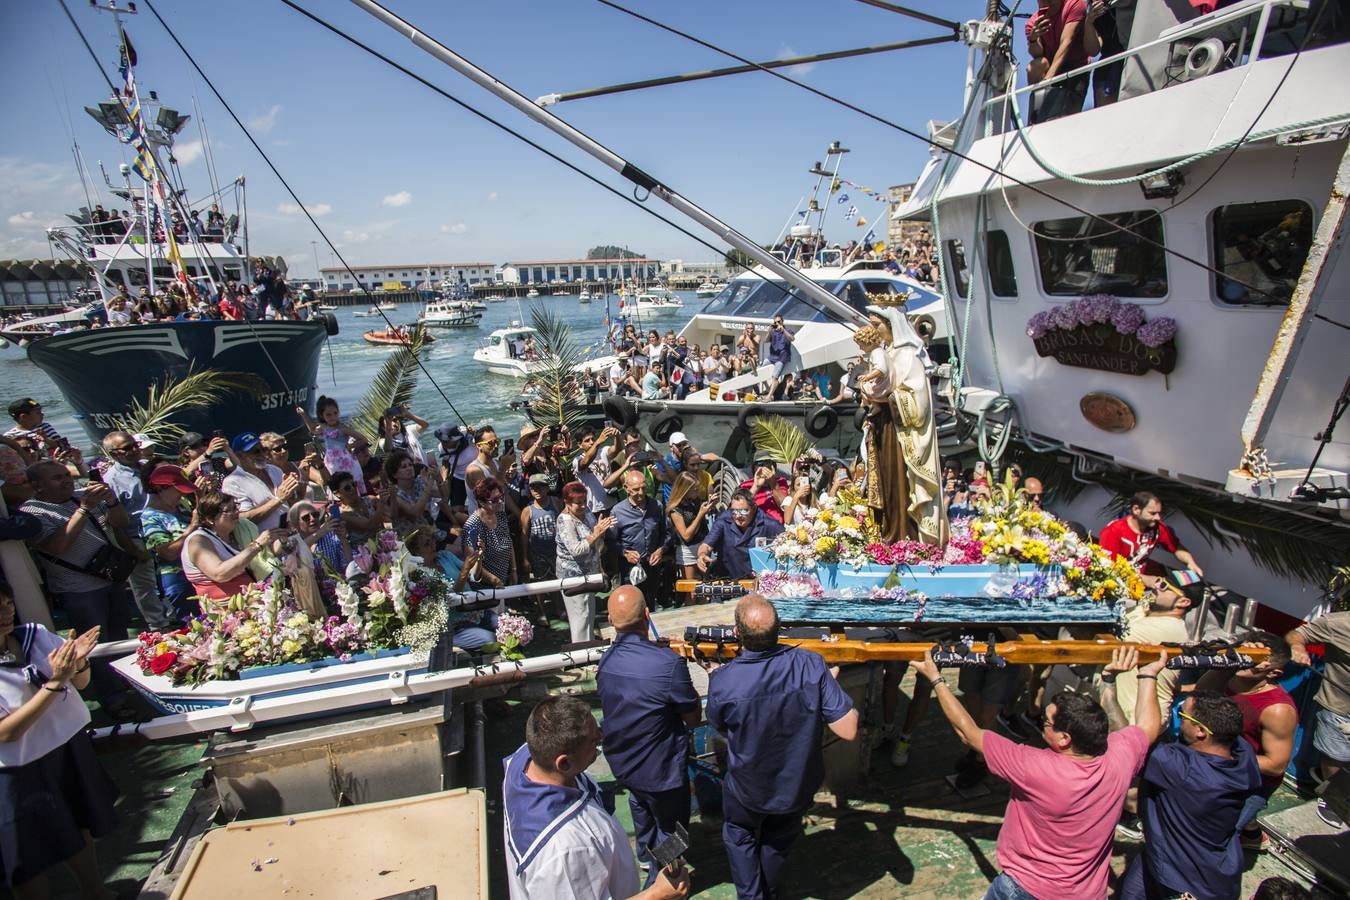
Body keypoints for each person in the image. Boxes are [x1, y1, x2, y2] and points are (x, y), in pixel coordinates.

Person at [916, 644, 1165, 899]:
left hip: (1025, 889)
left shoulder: (1032, 766)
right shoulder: (1119, 757)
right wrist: (1145, 674)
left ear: (1064, 738)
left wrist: (936, 679)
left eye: (1046, 722)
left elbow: (969, 734)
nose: (1042, 724)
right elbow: (1148, 726)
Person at [705, 595, 858, 900]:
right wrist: (825, 686)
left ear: (737, 634)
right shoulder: (811, 663)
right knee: (778, 841)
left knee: (739, 835)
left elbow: (719, 725)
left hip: (749, 786)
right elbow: (849, 728)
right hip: (798, 783)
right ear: (780, 629)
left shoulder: (724, 682)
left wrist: (715, 676)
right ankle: (770, 890)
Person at [502, 696, 690, 899]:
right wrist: (657, 894)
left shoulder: (527, 759)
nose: (601, 737)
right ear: (563, 763)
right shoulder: (564, 851)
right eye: (593, 740)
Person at [0, 585, 118, 900]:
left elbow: (81, 682)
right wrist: (55, 681)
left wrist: (78, 663)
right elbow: (5, 733)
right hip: (18, 769)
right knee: (28, 858)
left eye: (9, 603)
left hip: (64, 748)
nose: (7, 612)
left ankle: (96, 894)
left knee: (77, 825)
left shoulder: (34, 635)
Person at [596, 587, 701, 885]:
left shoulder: (606, 663)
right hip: (662, 771)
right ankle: (660, 879)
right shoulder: (668, 664)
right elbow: (693, 717)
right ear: (647, 615)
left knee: (639, 804)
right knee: (674, 830)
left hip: (624, 764)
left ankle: (644, 853)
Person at [1114, 690, 1262, 900]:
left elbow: (1130, 741)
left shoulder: (1181, 769)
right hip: (1196, 865)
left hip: (1185, 885)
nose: (1178, 719)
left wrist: (1141, 679)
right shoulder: (1243, 755)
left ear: (1201, 731)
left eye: (1182, 716)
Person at [20, 460, 135, 714]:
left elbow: (122, 522)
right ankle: (113, 698)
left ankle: (129, 683)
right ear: (37, 485)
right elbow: (57, 546)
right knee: (95, 646)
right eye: (56, 478)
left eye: (65, 474)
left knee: (119, 637)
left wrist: (112, 501)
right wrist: (84, 509)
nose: (66, 480)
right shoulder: (32, 512)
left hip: (110, 579)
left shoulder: (81, 497)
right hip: (79, 589)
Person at [854, 304, 947, 546]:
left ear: (891, 324)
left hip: (900, 433)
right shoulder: (887, 352)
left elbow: (919, 405)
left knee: (900, 485)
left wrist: (883, 397)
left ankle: (905, 536)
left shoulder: (907, 355)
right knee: (885, 484)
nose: (874, 331)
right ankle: (890, 532)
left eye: (877, 325)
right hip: (886, 427)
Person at [1197, 631, 1297, 814]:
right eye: (1243, 653)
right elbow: (1200, 695)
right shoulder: (1226, 675)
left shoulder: (1277, 709)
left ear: (1274, 672)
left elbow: (1276, 764)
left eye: (1255, 659)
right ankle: (1251, 832)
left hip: (1248, 785)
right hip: (1213, 767)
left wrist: (1216, 756)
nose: (1246, 660)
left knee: (1219, 834)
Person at [99, 431, 175, 630]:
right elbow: (113, 523)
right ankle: (158, 625)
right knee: (145, 587)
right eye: (127, 448)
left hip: (164, 531)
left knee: (169, 577)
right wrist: (132, 551)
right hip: (136, 537)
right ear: (114, 454)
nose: (134, 450)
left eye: (134, 445)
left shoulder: (147, 469)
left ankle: (175, 614)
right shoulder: (111, 480)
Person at [1287, 609, 1350, 827]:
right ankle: (1334, 798)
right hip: (1340, 709)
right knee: (1336, 756)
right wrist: (1297, 647)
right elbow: (1297, 634)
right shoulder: (1339, 623)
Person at [181, 492, 284, 603]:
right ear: (210, 518)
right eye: (228, 510)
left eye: (236, 507)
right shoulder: (198, 541)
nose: (236, 512)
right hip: (224, 614)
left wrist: (283, 542)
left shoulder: (239, 531)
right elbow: (219, 574)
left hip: (255, 606)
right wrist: (258, 544)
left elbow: (263, 557)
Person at [139, 464, 201, 621]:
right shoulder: (150, 517)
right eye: (178, 489)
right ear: (160, 489)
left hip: (198, 575)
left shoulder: (181, 508)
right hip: (178, 581)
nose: (182, 494)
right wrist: (192, 527)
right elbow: (167, 553)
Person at [555, 482, 614, 644]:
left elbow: (597, 544)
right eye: (578, 503)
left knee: (588, 614)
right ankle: (581, 654)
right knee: (579, 617)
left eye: (584, 501)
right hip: (572, 577)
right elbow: (576, 549)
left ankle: (588, 646)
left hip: (590, 574)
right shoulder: (564, 521)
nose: (582, 506)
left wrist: (601, 533)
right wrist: (596, 533)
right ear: (567, 503)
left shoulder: (587, 513)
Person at [1099, 491, 1203, 582]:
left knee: (1184, 594)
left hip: (1141, 582)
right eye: (1152, 513)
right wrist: (1146, 580)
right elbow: (1107, 568)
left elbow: (1176, 547)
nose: (1158, 517)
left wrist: (1191, 563)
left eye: (1159, 513)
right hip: (1117, 584)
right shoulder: (1114, 531)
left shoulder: (1157, 528)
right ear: (1136, 510)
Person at [608, 470, 672, 607]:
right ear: (626, 489)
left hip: (652, 565)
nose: (641, 493)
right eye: (636, 489)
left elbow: (667, 533)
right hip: (630, 568)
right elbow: (611, 542)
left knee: (650, 603)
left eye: (643, 488)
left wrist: (660, 550)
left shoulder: (657, 506)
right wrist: (625, 553)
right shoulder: (617, 511)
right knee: (632, 605)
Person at [1025, 0, 1089, 124]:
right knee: (1034, 67)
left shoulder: (1075, 4)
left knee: (1067, 122)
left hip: (1075, 68)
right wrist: (1033, 39)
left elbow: (1067, 42)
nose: (1047, 3)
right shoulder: (1032, 23)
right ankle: (1036, 118)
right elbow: (1037, 54)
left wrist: (1048, 80)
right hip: (1049, 67)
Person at [697, 489, 783, 582]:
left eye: (744, 511)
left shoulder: (769, 524)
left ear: (754, 508)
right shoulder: (723, 520)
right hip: (728, 580)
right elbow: (707, 545)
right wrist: (702, 554)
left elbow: (789, 541)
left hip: (759, 582)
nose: (738, 516)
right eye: (734, 511)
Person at [221, 432, 301, 531]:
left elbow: (290, 503)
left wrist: (291, 491)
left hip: (292, 535)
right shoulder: (232, 482)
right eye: (255, 452)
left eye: (263, 450)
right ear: (239, 456)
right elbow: (242, 520)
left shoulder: (275, 470)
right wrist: (278, 499)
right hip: (267, 542)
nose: (262, 454)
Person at [297, 397, 365, 494]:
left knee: (349, 485)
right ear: (322, 416)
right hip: (331, 462)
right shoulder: (324, 427)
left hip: (345, 462)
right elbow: (312, 429)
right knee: (334, 484)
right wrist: (303, 414)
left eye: (335, 413)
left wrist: (350, 446)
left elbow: (363, 439)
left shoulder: (342, 428)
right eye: (328, 415)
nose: (332, 417)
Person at [463, 477, 516, 591]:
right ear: (481, 502)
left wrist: (514, 570)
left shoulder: (500, 514)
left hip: (502, 581)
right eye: (495, 499)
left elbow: (508, 541)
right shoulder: (473, 526)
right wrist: (494, 580)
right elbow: (472, 564)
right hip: (484, 588)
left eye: (501, 497)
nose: (500, 501)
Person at [667, 472, 715, 591]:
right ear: (685, 490)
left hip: (701, 546)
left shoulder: (695, 501)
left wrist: (709, 506)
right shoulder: (675, 509)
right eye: (694, 489)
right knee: (693, 591)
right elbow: (686, 535)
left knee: (705, 589)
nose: (697, 492)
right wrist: (700, 514)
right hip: (687, 550)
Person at [764, 315, 794, 399]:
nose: (777, 323)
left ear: (782, 321)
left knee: (774, 377)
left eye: (779, 322)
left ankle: (769, 396)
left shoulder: (788, 330)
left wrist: (783, 330)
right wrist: (769, 332)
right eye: (775, 322)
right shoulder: (773, 331)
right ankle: (768, 389)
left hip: (782, 357)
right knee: (760, 370)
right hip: (772, 356)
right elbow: (766, 340)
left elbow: (792, 338)